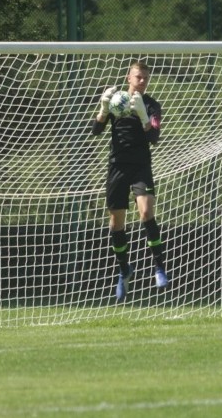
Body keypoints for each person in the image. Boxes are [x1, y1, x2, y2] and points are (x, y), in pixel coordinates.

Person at [91, 60, 167, 301]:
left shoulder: (152, 105)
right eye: (138, 77)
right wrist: (103, 109)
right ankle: (124, 270)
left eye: (145, 77)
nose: (142, 81)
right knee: (116, 224)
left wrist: (144, 116)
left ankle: (159, 268)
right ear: (128, 78)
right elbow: (95, 130)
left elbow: (154, 136)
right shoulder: (117, 102)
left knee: (146, 213)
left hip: (141, 167)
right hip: (117, 167)